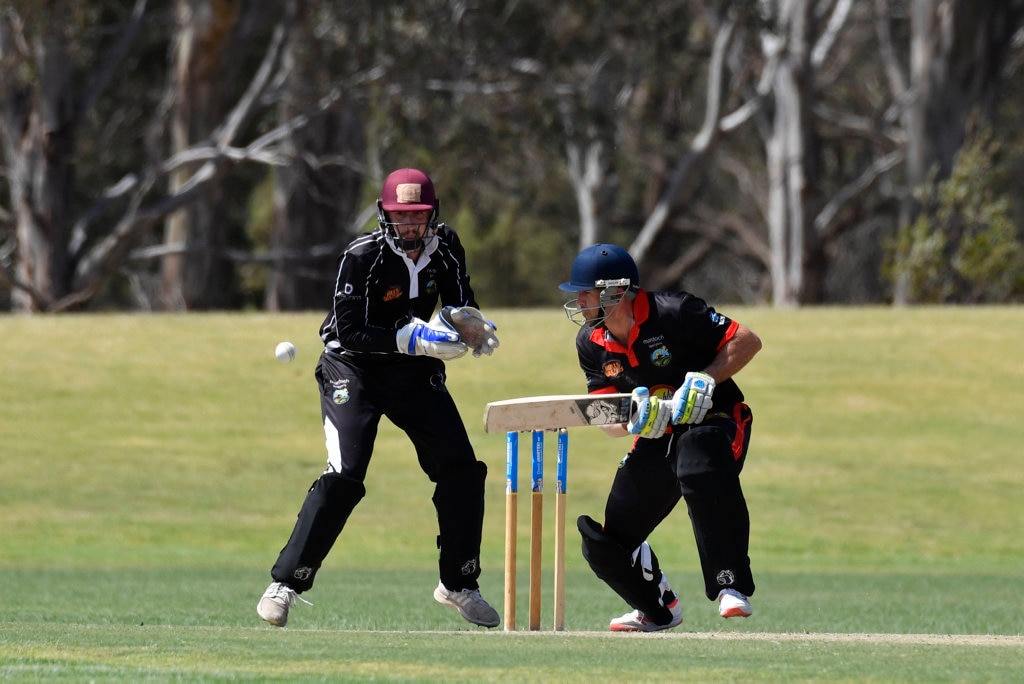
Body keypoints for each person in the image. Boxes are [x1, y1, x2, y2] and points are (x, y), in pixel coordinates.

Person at [257, 168, 501, 629]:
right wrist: (416, 338)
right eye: (401, 217)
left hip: (413, 372)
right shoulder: (362, 254)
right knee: (346, 474)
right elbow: (348, 329)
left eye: (419, 217)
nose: (411, 228)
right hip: (352, 366)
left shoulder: (445, 243)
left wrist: (469, 326)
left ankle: (459, 583)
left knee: (462, 472)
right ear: (384, 214)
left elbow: (457, 301)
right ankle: (286, 584)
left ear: (433, 215)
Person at [558, 243, 762, 632]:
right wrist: (633, 421)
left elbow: (747, 340)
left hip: (715, 420)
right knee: (607, 541)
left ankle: (730, 586)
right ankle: (657, 609)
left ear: (615, 291)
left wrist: (706, 378)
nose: (579, 300)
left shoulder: (675, 311)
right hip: (656, 436)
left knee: (696, 457)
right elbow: (607, 419)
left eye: (585, 291)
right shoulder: (591, 342)